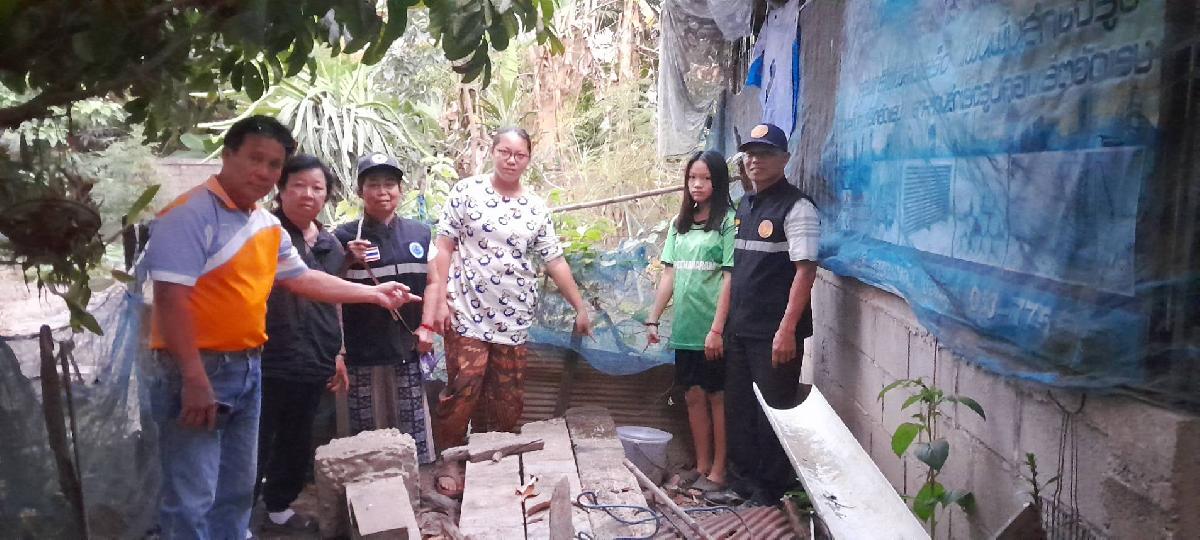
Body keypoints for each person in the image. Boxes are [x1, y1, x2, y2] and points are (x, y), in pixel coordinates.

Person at [144, 115, 419, 540]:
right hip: (198, 368)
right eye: (255, 158)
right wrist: (194, 378)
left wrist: (374, 294)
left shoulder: (265, 225)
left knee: (236, 488)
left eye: (273, 164)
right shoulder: (188, 215)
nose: (264, 171)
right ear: (228, 154)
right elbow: (169, 301)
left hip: (248, 367)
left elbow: (303, 278)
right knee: (193, 491)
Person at [419, 127, 592, 453]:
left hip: (513, 316)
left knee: (506, 397)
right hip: (466, 311)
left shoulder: (535, 207)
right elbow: (443, 247)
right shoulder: (466, 192)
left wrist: (580, 307)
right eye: (505, 152)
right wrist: (440, 301)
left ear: (528, 159)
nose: (512, 160)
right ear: (493, 152)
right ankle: (451, 460)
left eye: (520, 155)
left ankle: (492, 458)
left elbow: (554, 260)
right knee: (463, 388)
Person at [719, 123, 819, 507]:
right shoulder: (745, 205)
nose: (755, 161)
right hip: (741, 330)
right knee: (740, 408)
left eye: (765, 154)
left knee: (773, 413)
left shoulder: (798, 207)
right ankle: (743, 484)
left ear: (785, 159)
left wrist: (787, 330)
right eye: (750, 154)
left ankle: (769, 492)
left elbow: (805, 272)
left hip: (774, 334)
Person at [255, 155, 348, 532]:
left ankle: (279, 504)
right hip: (267, 357)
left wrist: (338, 352)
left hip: (315, 357)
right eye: (298, 185)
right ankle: (239, 514)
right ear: (281, 189)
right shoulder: (263, 234)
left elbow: (334, 299)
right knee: (256, 440)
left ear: (326, 195)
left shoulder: (331, 244)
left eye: (317, 188)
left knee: (298, 436)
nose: (308, 194)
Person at [333, 153, 434, 463]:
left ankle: (418, 479)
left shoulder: (420, 233)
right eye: (373, 185)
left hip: (408, 346)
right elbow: (328, 288)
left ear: (401, 189)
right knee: (364, 436)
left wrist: (427, 327)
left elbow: (434, 282)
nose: (382, 192)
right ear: (360, 191)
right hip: (361, 350)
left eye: (389, 184)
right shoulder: (343, 237)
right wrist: (346, 258)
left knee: (413, 429)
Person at [645, 150, 736, 493]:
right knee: (693, 396)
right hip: (685, 329)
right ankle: (701, 465)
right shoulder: (679, 224)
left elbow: (730, 278)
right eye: (692, 178)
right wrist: (653, 318)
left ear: (718, 182)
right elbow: (669, 275)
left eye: (706, 178)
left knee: (718, 398)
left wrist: (717, 329)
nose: (697, 184)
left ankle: (719, 471)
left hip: (713, 331)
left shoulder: (729, 222)